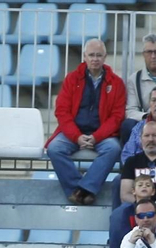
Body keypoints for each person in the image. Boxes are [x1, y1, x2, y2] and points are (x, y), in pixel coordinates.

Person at [47, 40, 126, 206]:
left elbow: (117, 117)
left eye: (98, 55)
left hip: (102, 135)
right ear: (84, 57)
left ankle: (85, 189)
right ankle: (79, 190)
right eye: (91, 55)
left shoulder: (116, 83)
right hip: (73, 133)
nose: (95, 59)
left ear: (105, 57)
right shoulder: (71, 79)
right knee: (54, 149)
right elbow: (62, 111)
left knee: (113, 149)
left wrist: (97, 137)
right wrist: (76, 137)